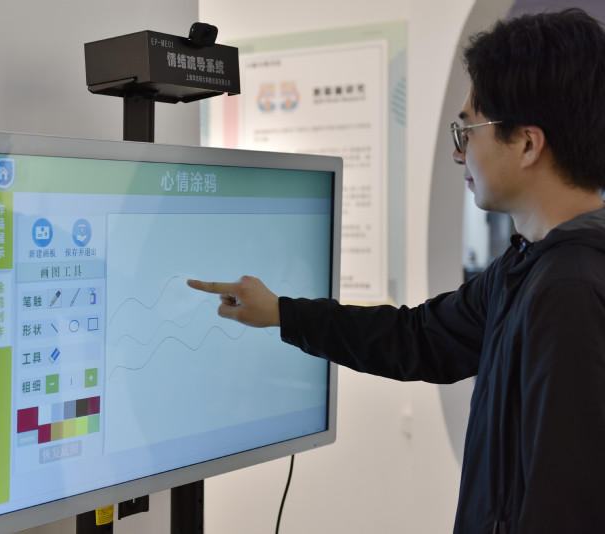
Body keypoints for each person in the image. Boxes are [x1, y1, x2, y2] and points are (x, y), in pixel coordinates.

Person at [188, 8, 605, 534]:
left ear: (527, 144)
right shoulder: (528, 265)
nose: (458, 154)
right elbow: (418, 337)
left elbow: (566, 506)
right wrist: (283, 313)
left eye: (467, 130)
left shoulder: (570, 289)